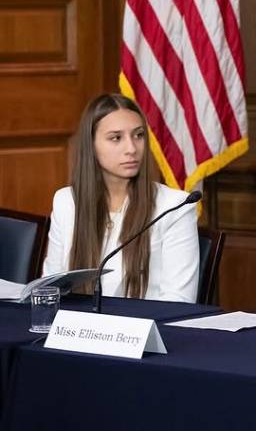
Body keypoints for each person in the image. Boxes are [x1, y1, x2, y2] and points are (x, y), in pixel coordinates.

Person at [42, 94, 200, 302]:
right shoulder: (66, 202)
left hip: (146, 322)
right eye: (116, 138)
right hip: (77, 321)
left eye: (138, 135)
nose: (132, 149)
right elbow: (50, 289)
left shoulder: (175, 207)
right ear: (91, 145)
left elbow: (179, 301)